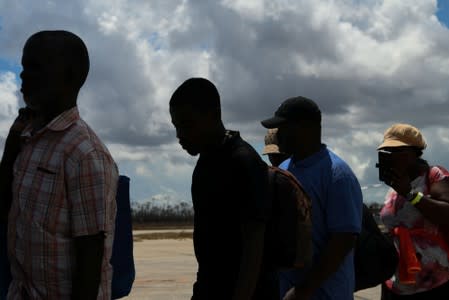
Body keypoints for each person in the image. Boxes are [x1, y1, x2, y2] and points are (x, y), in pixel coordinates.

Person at [0, 30, 118, 299]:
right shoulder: (28, 140)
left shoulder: (84, 153)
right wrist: (11, 146)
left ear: (70, 77)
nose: (23, 76)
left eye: (35, 68)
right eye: (23, 67)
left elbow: (91, 260)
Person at [169, 77, 272, 300]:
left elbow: (254, 248)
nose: (180, 136)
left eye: (187, 125)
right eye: (176, 127)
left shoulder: (244, 162)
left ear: (214, 116)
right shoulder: (206, 162)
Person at [261, 96, 363, 300]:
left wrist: (303, 290)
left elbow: (343, 240)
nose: (277, 135)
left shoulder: (337, 174)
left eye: (283, 128)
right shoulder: (283, 170)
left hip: (326, 293)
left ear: (304, 128)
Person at [377, 123, 449, 300]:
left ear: (414, 153)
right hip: (395, 283)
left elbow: (446, 213)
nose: (390, 157)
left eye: (396, 151)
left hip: (433, 282)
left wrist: (410, 194)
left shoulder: (433, 175)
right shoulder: (395, 186)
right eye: (387, 152)